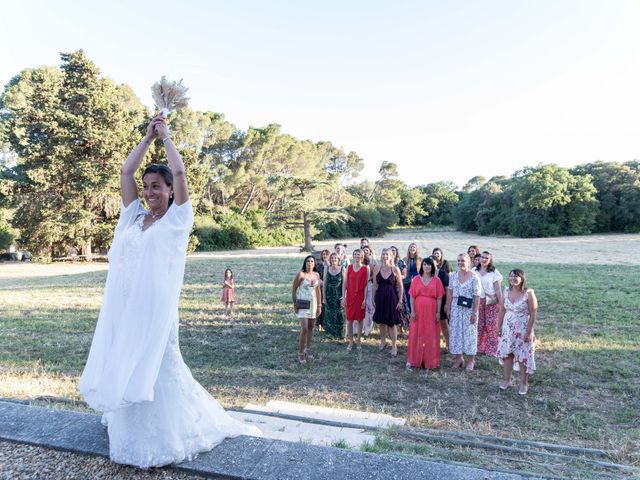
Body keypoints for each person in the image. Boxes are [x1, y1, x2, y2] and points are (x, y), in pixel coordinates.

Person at [79, 115, 260, 468]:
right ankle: (127, 429)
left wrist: (166, 138)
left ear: (170, 191)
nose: (149, 192)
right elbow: (124, 174)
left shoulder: (177, 220)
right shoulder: (132, 217)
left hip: (155, 311)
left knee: (156, 368)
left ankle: (161, 438)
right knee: (126, 362)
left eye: (156, 187)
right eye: (147, 187)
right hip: (122, 307)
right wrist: (146, 139)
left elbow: (180, 174)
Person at [497, 269, 538, 395]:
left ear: (522, 278)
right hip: (507, 328)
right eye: (511, 276)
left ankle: (523, 383)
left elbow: (533, 313)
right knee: (507, 354)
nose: (513, 278)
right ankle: (507, 380)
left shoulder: (528, 293)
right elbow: (502, 311)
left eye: (516, 276)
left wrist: (529, 332)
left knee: (523, 356)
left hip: (523, 328)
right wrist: (498, 327)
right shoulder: (506, 291)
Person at [445, 253, 481, 372]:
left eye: (463, 261)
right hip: (456, 307)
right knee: (456, 333)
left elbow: (477, 297)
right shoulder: (454, 276)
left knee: (469, 333)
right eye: (458, 260)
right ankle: (459, 358)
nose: (460, 263)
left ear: (468, 262)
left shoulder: (474, 277)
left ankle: (471, 360)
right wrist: (448, 307)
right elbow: (449, 292)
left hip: (469, 309)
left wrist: (474, 313)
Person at [407, 258, 445, 369]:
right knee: (416, 334)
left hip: (431, 311)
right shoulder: (416, 279)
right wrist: (412, 311)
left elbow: (439, 298)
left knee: (430, 334)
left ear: (432, 267)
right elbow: (412, 297)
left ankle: (430, 360)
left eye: (429, 265)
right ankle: (415, 359)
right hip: (418, 310)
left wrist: (438, 312)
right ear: (422, 266)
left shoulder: (437, 280)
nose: (426, 267)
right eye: (424, 264)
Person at [372, 248, 404, 357]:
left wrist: (400, 300)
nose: (385, 256)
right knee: (381, 321)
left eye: (387, 254)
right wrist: (372, 298)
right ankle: (383, 341)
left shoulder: (395, 269)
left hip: (392, 298)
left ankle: (394, 345)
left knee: (391, 323)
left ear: (391, 256)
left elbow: (400, 285)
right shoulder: (377, 268)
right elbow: (375, 284)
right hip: (380, 297)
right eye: (383, 254)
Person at [292, 255, 322, 363]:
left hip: (313, 304)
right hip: (303, 303)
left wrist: (319, 305)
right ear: (305, 263)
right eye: (308, 261)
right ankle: (300, 353)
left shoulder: (316, 275)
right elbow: (294, 289)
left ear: (314, 264)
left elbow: (318, 290)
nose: (310, 263)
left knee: (310, 327)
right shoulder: (301, 275)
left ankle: (308, 349)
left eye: (312, 261)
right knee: (304, 328)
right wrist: (295, 304)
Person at [477, 251, 503, 357]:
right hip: (478, 301)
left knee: (491, 325)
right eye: (482, 257)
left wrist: (501, 304)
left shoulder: (494, 273)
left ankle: (492, 348)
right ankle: (479, 347)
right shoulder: (474, 271)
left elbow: (498, 290)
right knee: (479, 325)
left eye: (486, 258)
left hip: (491, 301)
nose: (483, 260)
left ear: (490, 260)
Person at [342, 249, 370, 350]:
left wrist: (364, 299)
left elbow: (366, 285)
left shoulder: (365, 269)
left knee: (359, 319)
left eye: (359, 255)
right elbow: (345, 283)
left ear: (362, 257)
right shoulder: (349, 268)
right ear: (353, 256)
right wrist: (343, 297)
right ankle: (350, 341)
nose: (357, 256)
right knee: (349, 320)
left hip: (360, 297)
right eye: (355, 254)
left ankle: (358, 340)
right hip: (350, 296)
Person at [322, 252, 346, 339]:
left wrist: (343, 297)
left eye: (335, 258)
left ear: (338, 260)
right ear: (330, 259)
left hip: (339, 294)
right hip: (329, 294)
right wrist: (324, 297)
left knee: (340, 313)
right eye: (332, 258)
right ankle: (330, 333)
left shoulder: (342, 268)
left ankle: (341, 334)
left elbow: (344, 284)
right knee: (329, 313)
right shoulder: (326, 268)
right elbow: (324, 283)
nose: (333, 260)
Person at [430, 254, 450, 351]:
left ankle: (449, 344)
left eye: (432, 263)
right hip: (429, 303)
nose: (430, 265)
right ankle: (433, 344)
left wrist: (447, 304)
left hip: (442, 302)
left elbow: (448, 289)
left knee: (443, 323)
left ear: (437, 263)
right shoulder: (424, 274)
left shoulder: (443, 274)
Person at [402, 243, 422, 314]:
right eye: (411, 247)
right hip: (407, 282)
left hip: (418, 281)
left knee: (417, 299)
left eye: (414, 247)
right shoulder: (404, 259)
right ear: (408, 249)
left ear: (416, 249)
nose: (412, 249)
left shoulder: (420, 259)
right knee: (408, 298)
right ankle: (410, 315)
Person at [362, 245, 377, 336]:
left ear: (370, 252)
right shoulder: (360, 262)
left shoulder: (373, 263)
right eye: (364, 250)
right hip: (361, 287)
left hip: (370, 286)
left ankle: (368, 328)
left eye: (367, 250)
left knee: (369, 307)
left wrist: (367, 279)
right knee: (362, 307)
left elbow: (374, 276)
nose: (365, 252)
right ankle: (360, 327)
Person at [316, 249, 331, 331]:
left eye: (326, 254)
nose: (325, 256)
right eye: (323, 254)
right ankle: (318, 324)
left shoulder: (331, 265)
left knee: (327, 306)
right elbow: (315, 275)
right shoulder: (319, 265)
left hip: (329, 288)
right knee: (320, 305)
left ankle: (326, 324)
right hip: (321, 288)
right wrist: (319, 281)